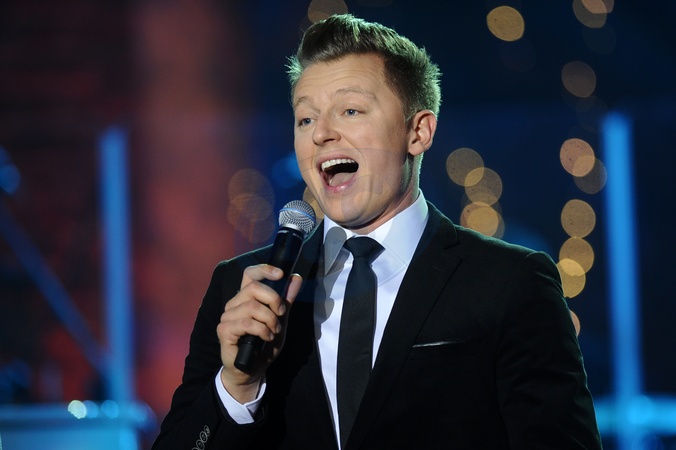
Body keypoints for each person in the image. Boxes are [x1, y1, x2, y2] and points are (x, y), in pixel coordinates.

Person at [152, 13, 602, 450]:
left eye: (350, 110)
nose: (321, 134)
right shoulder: (243, 288)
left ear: (418, 132)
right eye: (305, 119)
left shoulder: (510, 283)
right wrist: (237, 386)